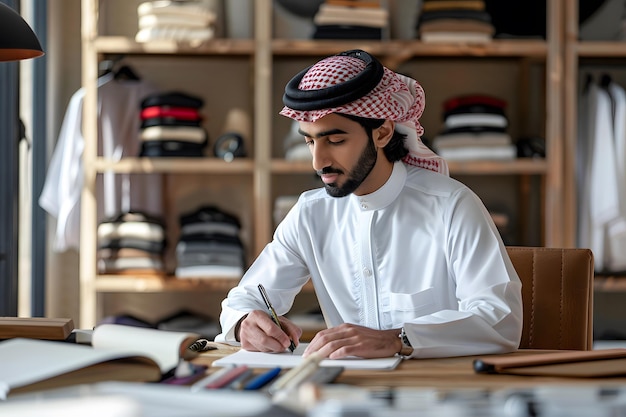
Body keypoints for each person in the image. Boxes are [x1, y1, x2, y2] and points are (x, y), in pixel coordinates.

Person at [215, 49, 523, 359]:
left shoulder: (452, 205)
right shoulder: (309, 215)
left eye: (335, 141)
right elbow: (243, 301)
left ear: (383, 132)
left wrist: (399, 339)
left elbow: (500, 318)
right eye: (309, 141)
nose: (318, 161)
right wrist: (246, 323)